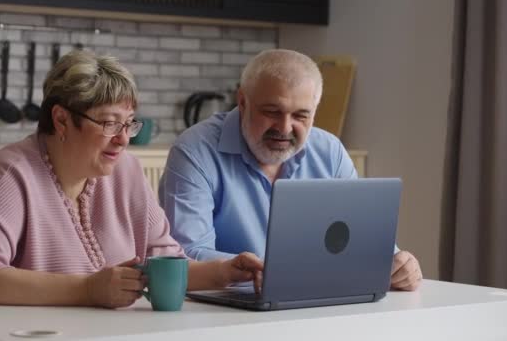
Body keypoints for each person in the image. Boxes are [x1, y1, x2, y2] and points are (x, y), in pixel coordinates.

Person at [0, 50, 263, 308]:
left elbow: (165, 264)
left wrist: (226, 272)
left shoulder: (126, 171)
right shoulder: (12, 172)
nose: (123, 139)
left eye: (129, 124)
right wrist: (86, 289)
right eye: (110, 124)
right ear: (61, 120)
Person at [159, 49, 422, 291]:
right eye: (272, 111)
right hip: (224, 309)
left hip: (315, 303)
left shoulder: (329, 152)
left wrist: (397, 264)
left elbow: (363, 240)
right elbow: (186, 254)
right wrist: (258, 271)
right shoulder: (194, 151)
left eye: (300, 116)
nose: (285, 128)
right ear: (242, 102)